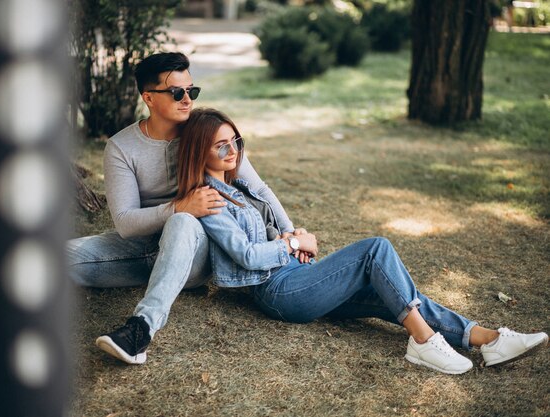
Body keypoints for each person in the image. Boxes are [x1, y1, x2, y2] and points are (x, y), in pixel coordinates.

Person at [175, 107, 548, 374]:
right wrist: (289, 246)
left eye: (235, 141)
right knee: (376, 249)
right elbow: (246, 254)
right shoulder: (208, 198)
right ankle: (422, 344)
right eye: (221, 146)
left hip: (294, 277)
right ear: (199, 151)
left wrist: (292, 237)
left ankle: (488, 340)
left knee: (396, 297)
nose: (232, 151)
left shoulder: (238, 184)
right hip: (277, 292)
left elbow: (266, 227)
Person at [67, 53, 300, 365]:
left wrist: (290, 231)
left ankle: (140, 330)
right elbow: (124, 223)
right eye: (177, 92)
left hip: (196, 252)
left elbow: (258, 187)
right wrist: (177, 206)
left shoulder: (205, 132)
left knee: (184, 222)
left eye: (192, 91)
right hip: (139, 249)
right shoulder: (121, 147)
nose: (187, 99)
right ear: (148, 97)